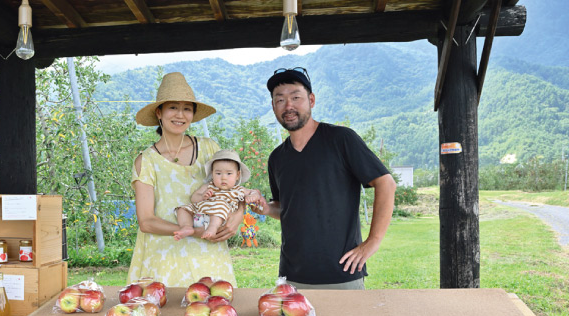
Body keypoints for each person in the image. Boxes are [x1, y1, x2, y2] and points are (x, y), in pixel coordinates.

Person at [256, 67, 396, 290]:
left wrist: (372, 242)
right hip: (292, 275)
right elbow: (285, 209)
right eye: (280, 100)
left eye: (296, 97)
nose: (288, 106)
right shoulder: (277, 158)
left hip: (342, 272)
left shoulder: (341, 140)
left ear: (311, 99)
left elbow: (385, 183)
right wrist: (265, 209)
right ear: (273, 106)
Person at [128, 72, 244, 287]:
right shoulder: (147, 161)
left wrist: (238, 216)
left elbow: (234, 189)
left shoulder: (210, 148)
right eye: (173, 107)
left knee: (215, 312)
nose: (180, 114)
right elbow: (146, 221)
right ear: (159, 112)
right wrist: (195, 232)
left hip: (208, 254)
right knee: (164, 315)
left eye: (187, 108)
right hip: (165, 257)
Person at [174, 149, 264, 241]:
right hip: (200, 215)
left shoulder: (238, 189)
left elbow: (255, 192)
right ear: (212, 174)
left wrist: (252, 196)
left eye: (229, 173)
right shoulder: (209, 186)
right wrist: (202, 196)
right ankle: (187, 226)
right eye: (218, 173)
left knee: (220, 204)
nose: (223, 177)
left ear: (237, 175)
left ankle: (212, 228)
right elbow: (193, 198)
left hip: (219, 219)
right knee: (182, 209)